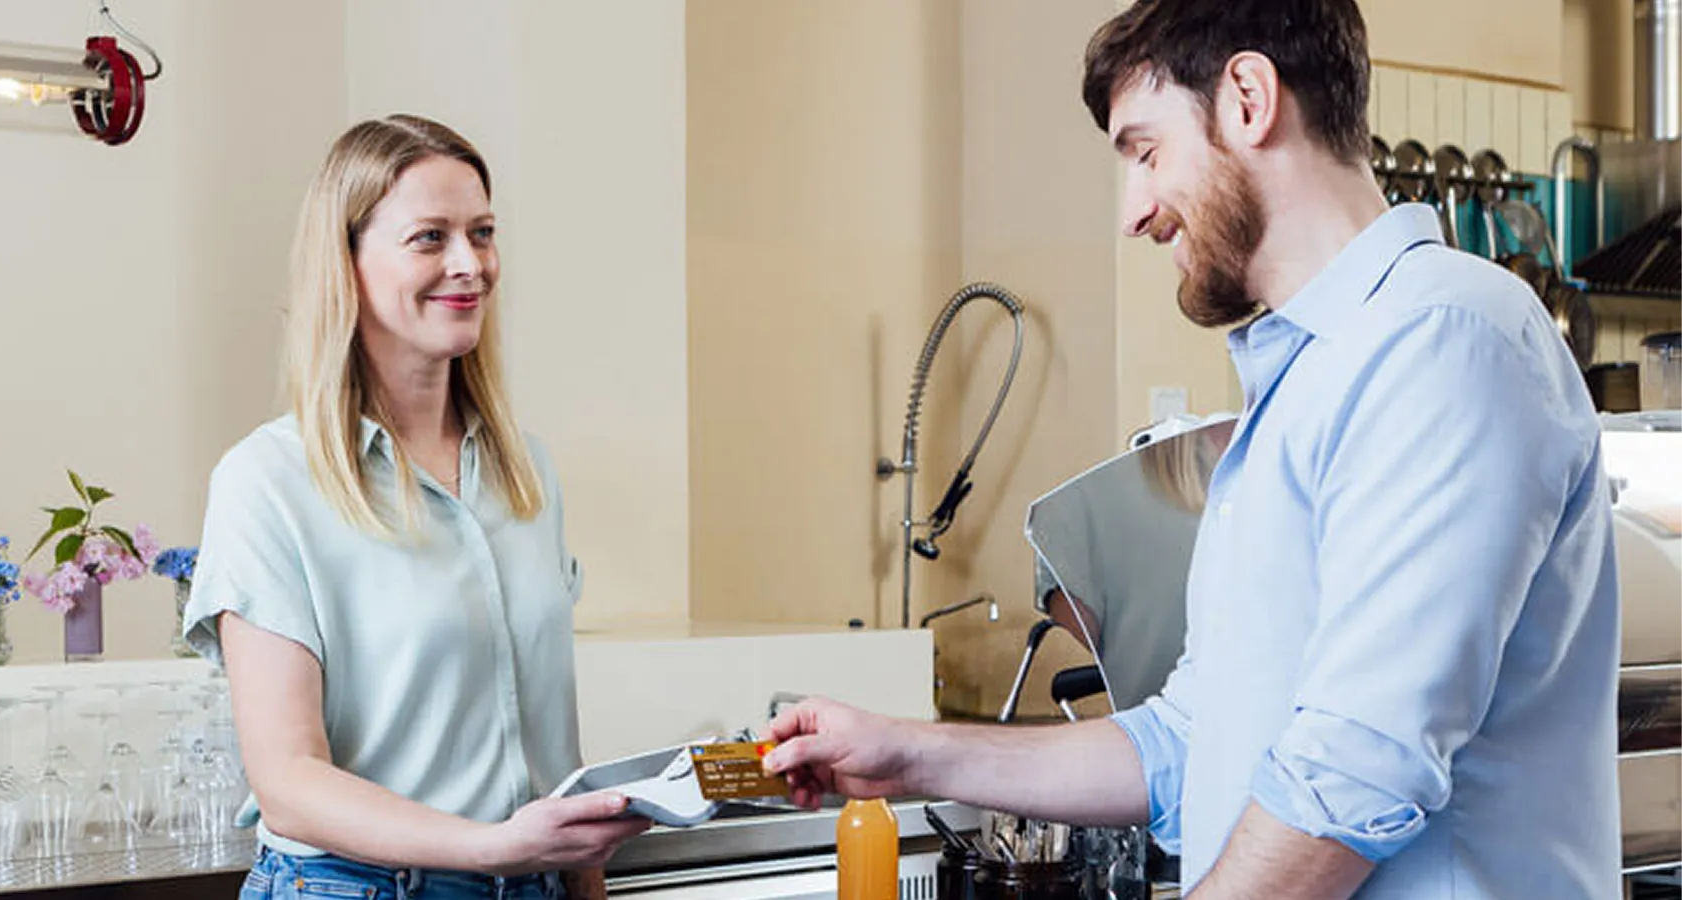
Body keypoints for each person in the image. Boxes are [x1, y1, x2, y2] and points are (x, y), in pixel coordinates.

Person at [761, 2, 1622, 897]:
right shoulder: (1306, 383)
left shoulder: (1442, 338)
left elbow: (1358, 773)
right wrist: (907, 753)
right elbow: (1188, 737)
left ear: (1249, 97)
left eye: (1145, 151)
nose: (1133, 213)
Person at [182, 114, 648, 900]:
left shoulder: (525, 471)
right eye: (430, 238)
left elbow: (550, 733)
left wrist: (574, 876)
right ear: (347, 263)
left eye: (483, 233)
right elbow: (289, 778)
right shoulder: (267, 481)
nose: (470, 264)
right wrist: (493, 847)